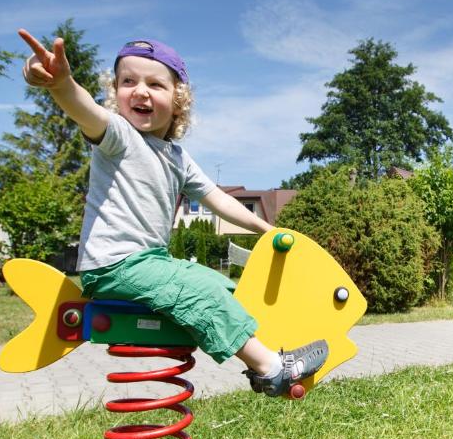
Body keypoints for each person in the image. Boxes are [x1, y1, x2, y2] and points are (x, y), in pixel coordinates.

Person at [17, 29, 326, 396]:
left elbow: (217, 198)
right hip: (115, 265)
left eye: (155, 84)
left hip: (152, 263)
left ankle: (270, 348)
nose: (141, 91)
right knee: (199, 292)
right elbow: (82, 108)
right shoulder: (117, 136)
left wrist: (262, 226)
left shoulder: (176, 157)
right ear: (115, 92)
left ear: (178, 101)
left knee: (220, 285)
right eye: (128, 81)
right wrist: (62, 83)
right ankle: (272, 370)